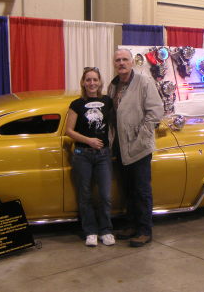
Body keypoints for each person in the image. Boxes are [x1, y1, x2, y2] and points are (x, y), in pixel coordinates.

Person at [108, 49, 164, 247]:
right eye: (118, 60)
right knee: (128, 190)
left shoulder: (144, 82)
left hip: (139, 146)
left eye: (125, 59)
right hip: (121, 146)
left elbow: (156, 111)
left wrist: (142, 136)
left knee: (141, 190)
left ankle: (144, 230)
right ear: (114, 64)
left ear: (132, 62)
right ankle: (131, 225)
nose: (121, 63)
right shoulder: (113, 85)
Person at [65, 67, 115, 247]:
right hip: (82, 154)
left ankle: (106, 230)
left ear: (100, 82)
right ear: (83, 83)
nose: (92, 83)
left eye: (95, 79)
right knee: (84, 194)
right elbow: (68, 131)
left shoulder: (108, 101)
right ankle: (90, 231)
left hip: (103, 155)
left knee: (105, 195)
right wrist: (89, 140)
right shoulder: (76, 104)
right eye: (88, 80)